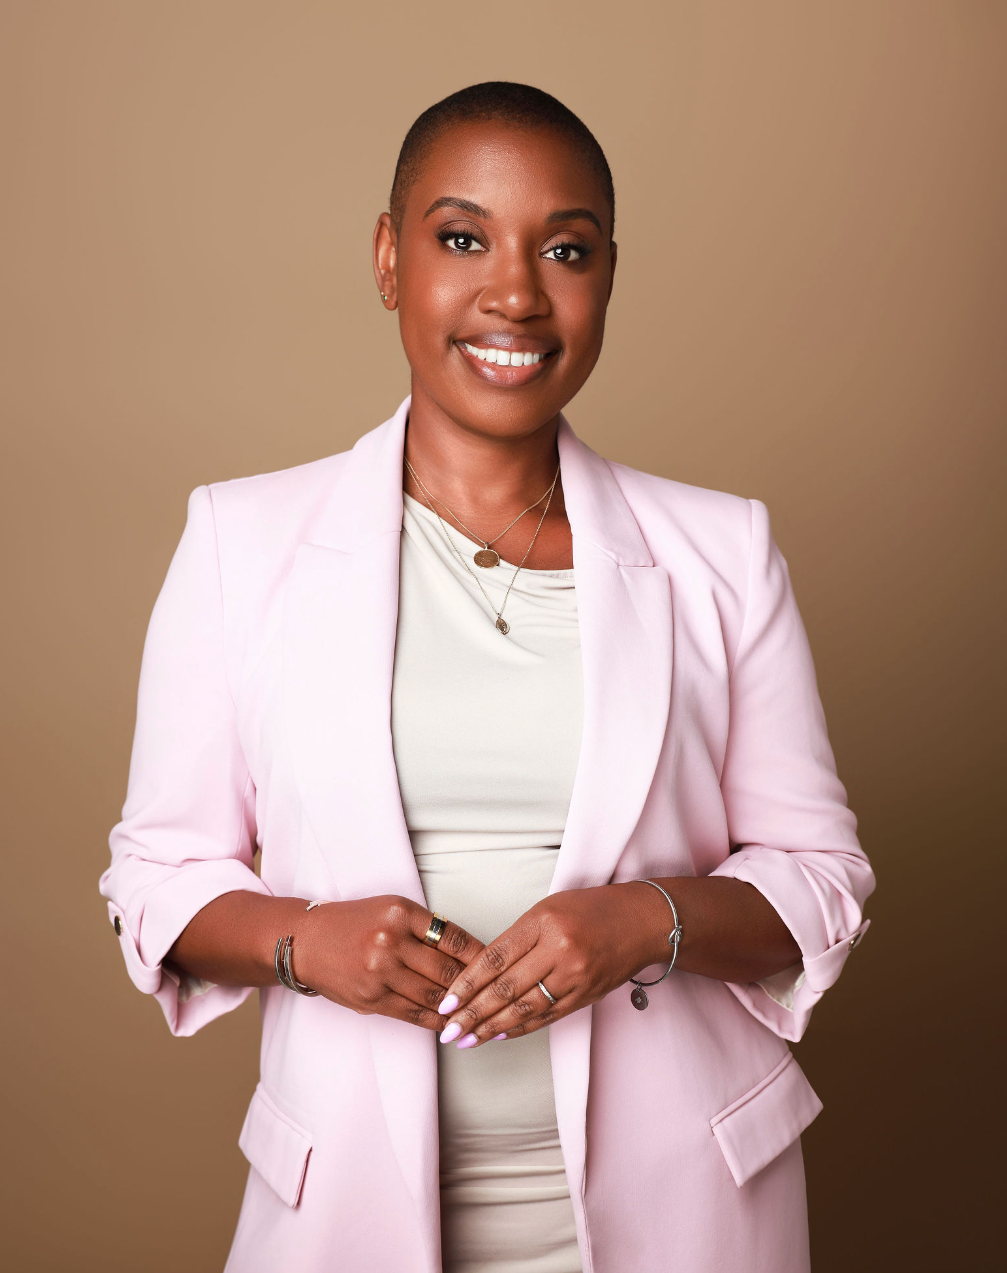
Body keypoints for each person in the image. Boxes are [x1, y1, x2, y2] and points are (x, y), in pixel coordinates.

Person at [100, 82, 874, 1273]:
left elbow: (819, 880)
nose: (514, 293)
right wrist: (306, 942)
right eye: (462, 239)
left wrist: (640, 922)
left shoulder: (721, 550)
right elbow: (156, 876)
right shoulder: (239, 543)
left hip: (685, 1214)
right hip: (348, 1213)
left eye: (564, 250)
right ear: (387, 258)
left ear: (606, 276)